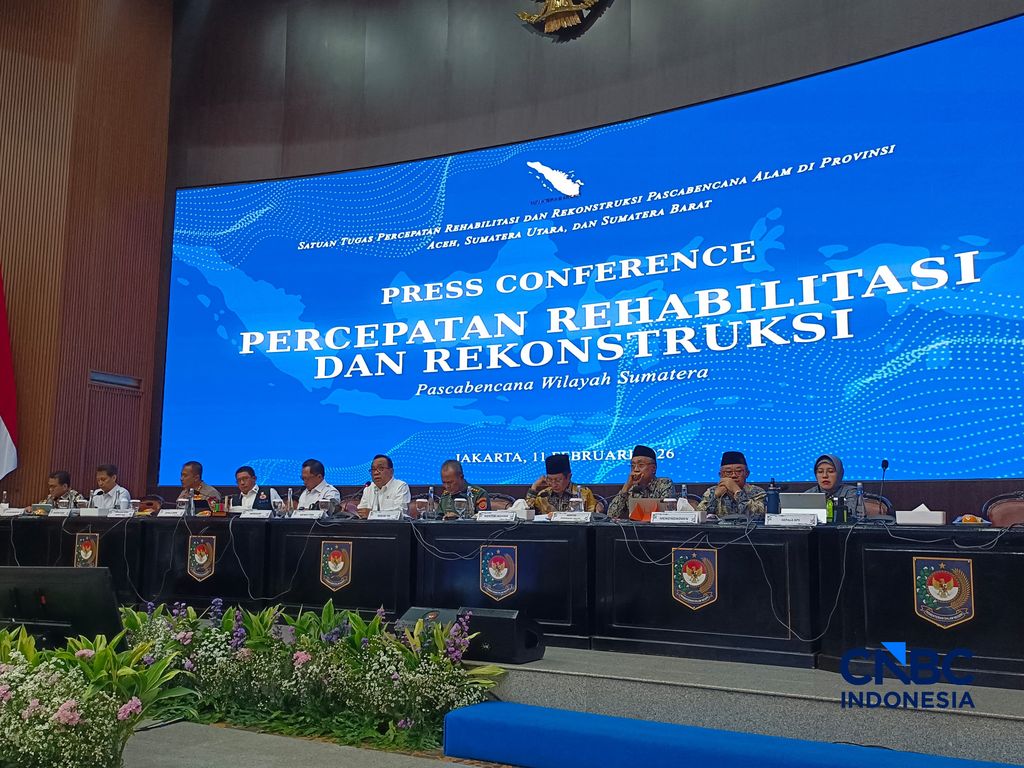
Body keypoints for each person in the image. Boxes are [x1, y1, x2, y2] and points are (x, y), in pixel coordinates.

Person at [607, 445, 675, 520]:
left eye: (641, 465)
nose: (636, 469)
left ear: (654, 469)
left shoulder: (664, 484)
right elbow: (611, 515)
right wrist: (626, 487)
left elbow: (667, 514)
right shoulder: (630, 488)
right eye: (632, 466)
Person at [697, 451, 766, 518]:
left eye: (739, 471)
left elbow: (759, 515)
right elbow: (698, 516)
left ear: (747, 474)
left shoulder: (758, 492)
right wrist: (715, 496)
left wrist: (737, 491)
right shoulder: (712, 491)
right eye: (728, 472)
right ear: (720, 475)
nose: (733, 475)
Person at [525, 453, 597, 516]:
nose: (553, 484)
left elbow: (592, 518)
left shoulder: (583, 493)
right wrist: (534, 487)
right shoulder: (543, 495)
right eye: (550, 480)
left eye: (558, 480)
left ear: (569, 477)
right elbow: (526, 514)